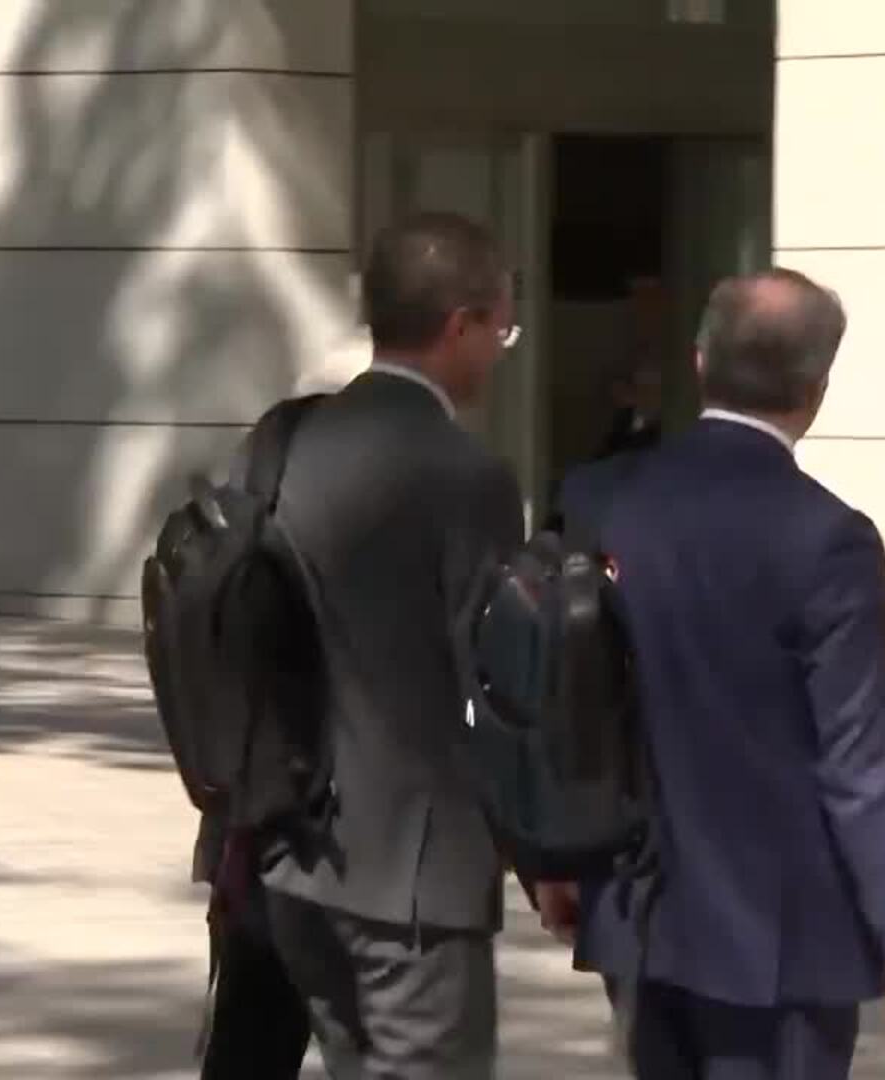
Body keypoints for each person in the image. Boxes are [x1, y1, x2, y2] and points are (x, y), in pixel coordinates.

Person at [539, 269, 885, 1079]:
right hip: (780, 942)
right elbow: (859, 765)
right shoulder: (830, 540)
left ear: (699, 362)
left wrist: (552, 858)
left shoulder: (596, 499)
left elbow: (558, 697)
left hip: (633, 909)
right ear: (818, 388)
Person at [256, 211, 526, 1078]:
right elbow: (497, 683)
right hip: (416, 881)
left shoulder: (282, 446)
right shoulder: (467, 476)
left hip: (296, 861)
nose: (500, 351)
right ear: (460, 326)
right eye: (502, 331)